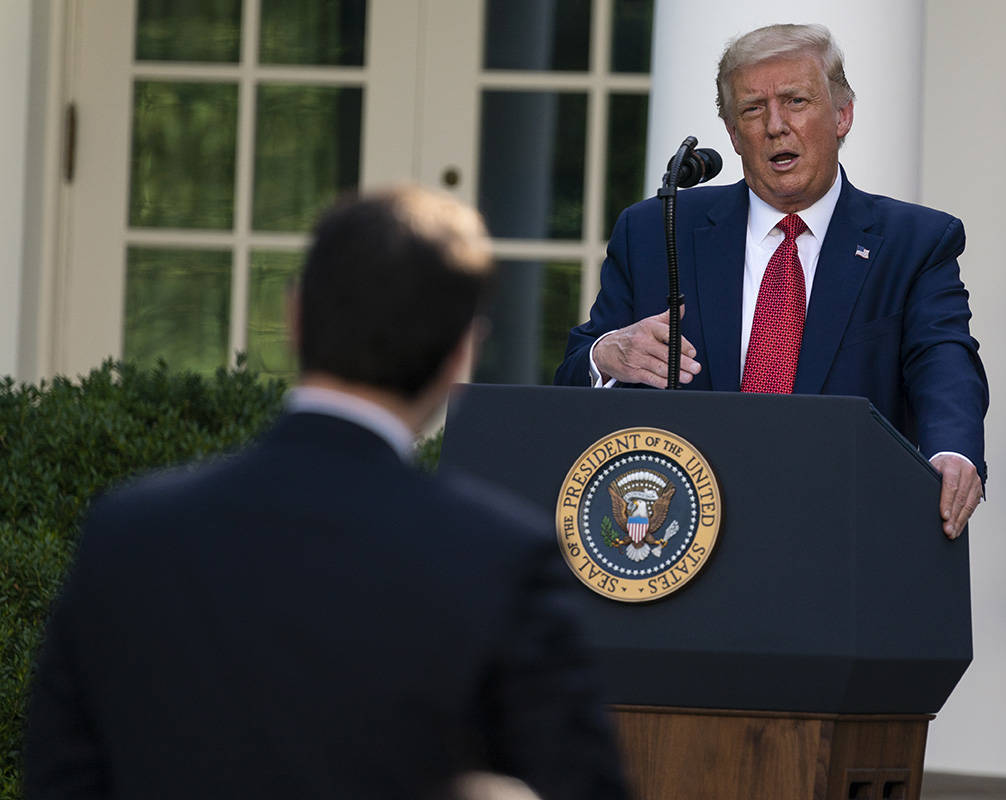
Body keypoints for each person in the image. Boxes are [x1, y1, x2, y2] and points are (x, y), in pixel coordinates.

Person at [25, 186, 627, 800]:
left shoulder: (127, 532)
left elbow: (60, 777)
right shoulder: (500, 559)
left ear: (293, 317)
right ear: (460, 354)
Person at [555, 23, 988, 539]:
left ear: (843, 115)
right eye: (752, 110)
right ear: (734, 134)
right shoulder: (656, 230)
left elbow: (943, 360)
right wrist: (608, 355)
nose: (776, 126)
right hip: (683, 543)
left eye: (796, 101)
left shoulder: (914, 241)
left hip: (845, 533)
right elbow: (574, 374)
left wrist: (952, 451)